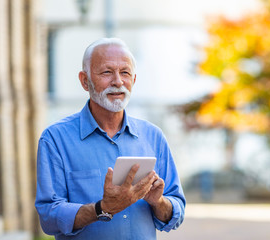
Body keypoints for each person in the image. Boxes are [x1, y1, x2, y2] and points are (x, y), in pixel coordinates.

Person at [35, 38, 186, 240]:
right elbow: (49, 217)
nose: (117, 81)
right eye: (107, 72)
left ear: (134, 79)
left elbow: (176, 212)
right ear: (84, 81)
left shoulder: (153, 136)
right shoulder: (55, 139)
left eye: (125, 72)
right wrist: (102, 208)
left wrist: (158, 202)